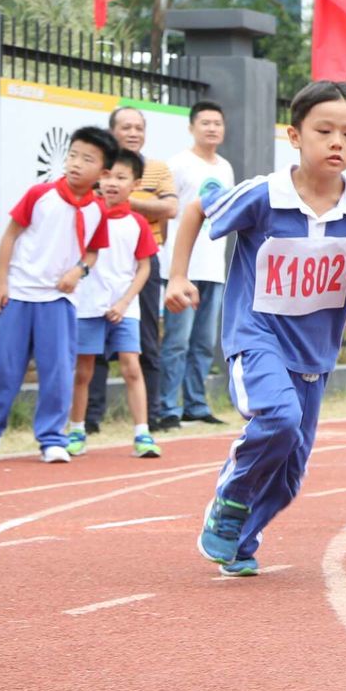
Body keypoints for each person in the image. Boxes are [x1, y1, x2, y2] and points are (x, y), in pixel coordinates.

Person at [165, 81, 346, 576]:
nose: (336, 142)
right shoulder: (266, 194)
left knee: (289, 477)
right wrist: (178, 275)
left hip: (315, 354)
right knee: (278, 419)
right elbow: (197, 212)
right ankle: (231, 497)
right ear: (294, 135)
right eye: (324, 130)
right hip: (256, 336)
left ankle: (239, 540)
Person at [0, 126, 118, 463]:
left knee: (58, 372)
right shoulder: (40, 194)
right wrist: (0, 282)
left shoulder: (97, 210)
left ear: (103, 173)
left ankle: (51, 438)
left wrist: (78, 271)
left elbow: (92, 252)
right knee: (1, 367)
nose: (76, 163)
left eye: (87, 159)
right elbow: (10, 236)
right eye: (73, 154)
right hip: (18, 293)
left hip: (59, 300)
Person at [86, 106, 176, 433]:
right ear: (112, 132)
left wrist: (125, 198)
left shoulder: (157, 168)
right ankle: (89, 418)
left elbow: (170, 208)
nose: (134, 133)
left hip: (141, 261)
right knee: (91, 344)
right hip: (95, 262)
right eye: (126, 127)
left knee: (146, 339)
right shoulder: (95, 166)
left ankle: (148, 417)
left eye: (139, 127)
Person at [68, 152, 162, 459]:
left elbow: (144, 268)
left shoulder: (137, 223)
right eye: (107, 176)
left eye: (121, 178)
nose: (112, 183)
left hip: (126, 308)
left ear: (135, 184)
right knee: (84, 371)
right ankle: (77, 429)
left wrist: (123, 302)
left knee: (131, 367)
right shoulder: (86, 215)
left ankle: (142, 434)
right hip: (87, 306)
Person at [155, 101, 235, 431]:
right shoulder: (178, 164)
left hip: (213, 268)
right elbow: (168, 211)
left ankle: (196, 404)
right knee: (177, 341)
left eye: (217, 123)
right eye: (205, 123)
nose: (212, 128)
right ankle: (166, 407)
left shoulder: (226, 168)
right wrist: (175, 268)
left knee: (203, 343)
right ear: (191, 128)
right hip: (181, 270)